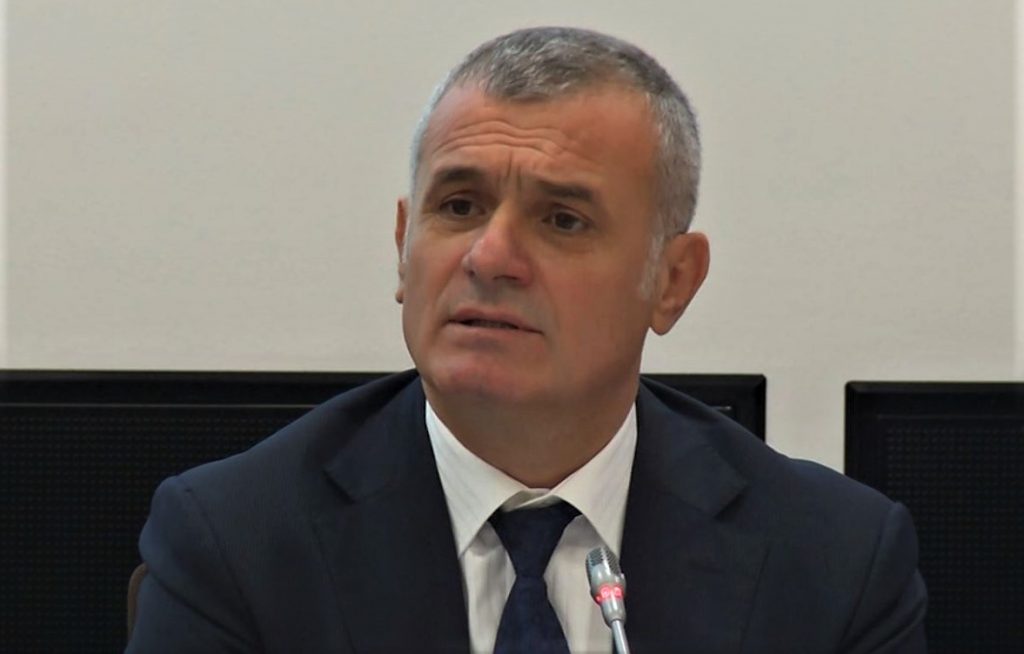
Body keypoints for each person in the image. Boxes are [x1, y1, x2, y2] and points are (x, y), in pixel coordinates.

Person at [127, 26, 927, 653]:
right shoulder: (236, 542)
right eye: (459, 206)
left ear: (672, 280)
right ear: (403, 245)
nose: (489, 257)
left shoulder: (834, 562)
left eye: (562, 220)